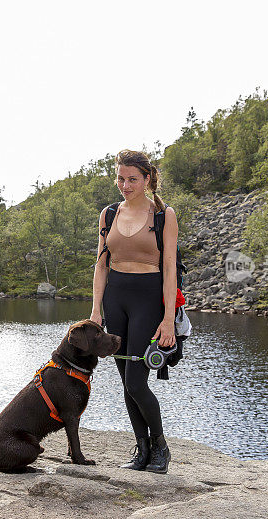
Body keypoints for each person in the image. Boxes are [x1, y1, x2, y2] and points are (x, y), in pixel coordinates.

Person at [89, 149, 178, 474]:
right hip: (116, 300)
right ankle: (141, 453)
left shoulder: (163, 214)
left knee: (137, 382)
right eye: (120, 178)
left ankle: (161, 448)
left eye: (132, 179)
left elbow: (169, 268)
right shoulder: (109, 214)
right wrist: (96, 311)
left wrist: (168, 318)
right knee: (125, 381)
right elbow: (101, 265)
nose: (125, 185)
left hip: (148, 300)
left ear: (147, 178)